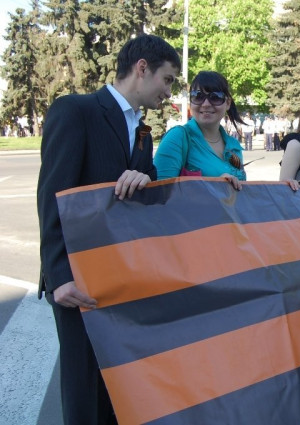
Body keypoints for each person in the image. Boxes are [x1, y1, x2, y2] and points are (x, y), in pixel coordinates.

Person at [37, 34, 180, 425]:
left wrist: (146, 178)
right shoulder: (76, 110)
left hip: (119, 274)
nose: (169, 92)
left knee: (116, 383)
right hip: (76, 278)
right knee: (83, 387)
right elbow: (52, 195)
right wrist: (59, 276)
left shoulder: (142, 131)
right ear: (142, 68)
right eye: (167, 80)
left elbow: (148, 192)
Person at [154, 71, 246, 189]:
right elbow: (159, 192)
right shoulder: (177, 137)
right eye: (198, 96)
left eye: (215, 97)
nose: (206, 104)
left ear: (227, 103)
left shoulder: (234, 146)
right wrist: (215, 186)